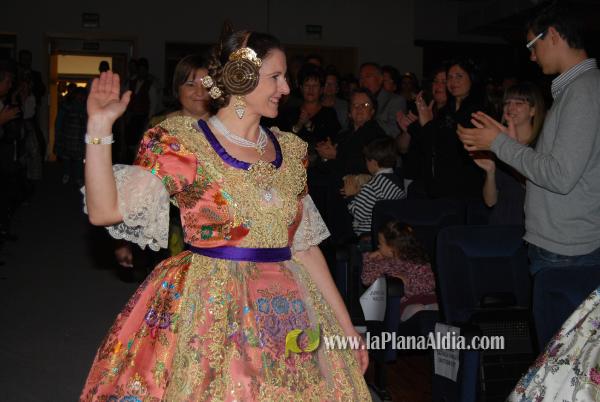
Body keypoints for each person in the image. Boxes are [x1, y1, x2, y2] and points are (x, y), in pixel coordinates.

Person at [80, 29, 370, 400]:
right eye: (276, 77)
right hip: (213, 310)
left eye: (285, 78)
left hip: (288, 308)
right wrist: (99, 127)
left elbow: (305, 246)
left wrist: (346, 328)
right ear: (241, 77)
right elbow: (104, 211)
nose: (285, 88)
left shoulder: (290, 150)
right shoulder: (183, 143)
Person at [457, 3, 600, 384]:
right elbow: (559, 171)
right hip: (562, 247)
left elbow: (560, 176)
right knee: (564, 368)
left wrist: (500, 145)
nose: (532, 56)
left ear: (552, 34)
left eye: (532, 45)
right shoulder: (574, 90)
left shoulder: (583, 91)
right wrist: (506, 147)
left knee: (560, 372)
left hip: (567, 252)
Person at [472, 82, 545, 225]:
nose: (510, 108)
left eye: (518, 103)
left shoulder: (542, 146)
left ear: (533, 110)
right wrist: (490, 172)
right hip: (500, 224)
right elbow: (490, 201)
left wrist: (513, 155)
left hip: (528, 227)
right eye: (507, 103)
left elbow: (540, 192)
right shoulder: (500, 144)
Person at [361, 220, 437, 322]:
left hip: (428, 299)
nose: (378, 246)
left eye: (381, 243)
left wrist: (408, 283)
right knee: (417, 309)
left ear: (392, 248)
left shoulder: (418, 262)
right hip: (403, 304)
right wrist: (370, 260)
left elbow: (431, 283)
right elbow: (367, 280)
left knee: (436, 308)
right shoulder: (382, 263)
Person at [277, 64, 340, 166]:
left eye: (315, 86)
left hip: (321, 167)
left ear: (321, 89)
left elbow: (330, 139)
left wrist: (309, 124)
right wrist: (298, 125)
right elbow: (283, 139)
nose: (311, 89)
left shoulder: (329, 113)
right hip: (293, 165)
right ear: (301, 88)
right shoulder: (290, 112)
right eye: (307, 85)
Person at [346, 138, 405, 237]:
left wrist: (351, 196)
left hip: (369, 234)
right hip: (387, 231)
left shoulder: (373, 185)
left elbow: (359, 214)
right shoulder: (396, 180)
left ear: (373, 162)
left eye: (366, 160)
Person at [359, 62, 406, 138]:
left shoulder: (395, 100)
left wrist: (369, 120)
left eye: (368, 76)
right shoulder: (357, 100)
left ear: (380, 79)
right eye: (361, 78)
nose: (363, 81)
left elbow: (394, 131)